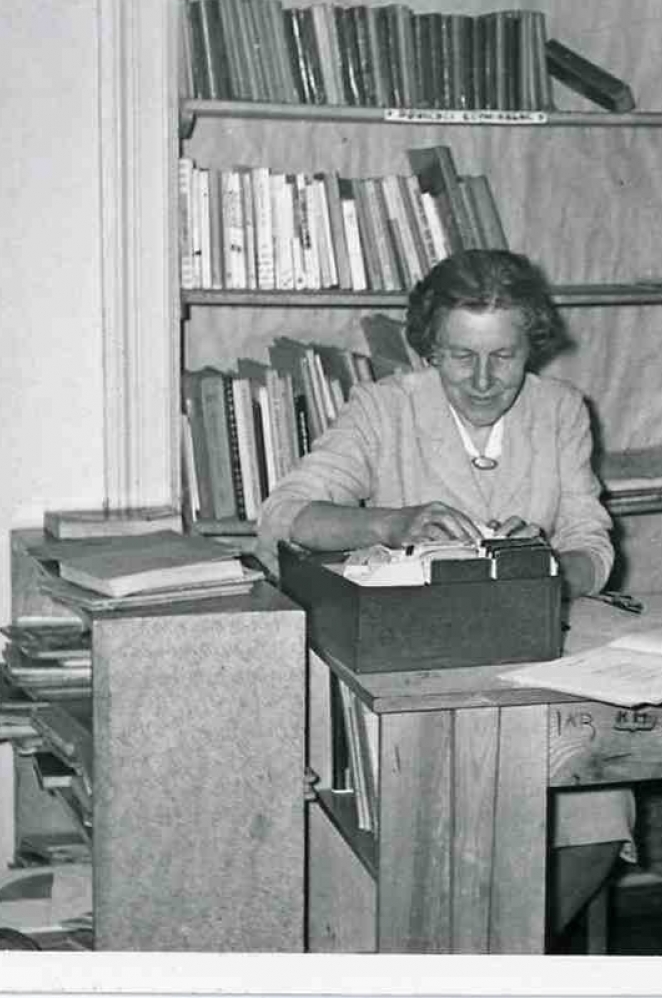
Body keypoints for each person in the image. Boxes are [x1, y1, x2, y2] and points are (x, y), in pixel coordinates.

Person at [256, 248, 630, 943]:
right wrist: (390, 523)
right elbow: (282, 516)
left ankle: (502, 960)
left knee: (598, 818)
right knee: (430, 843)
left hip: (532, 657)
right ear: (428, 347)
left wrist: (550, 567)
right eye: (460, 357)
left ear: (531, 347)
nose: (484, 380)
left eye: (505, 356)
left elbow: (593, 544)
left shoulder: (560, 410)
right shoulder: (384, 408)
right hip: (411, 670)